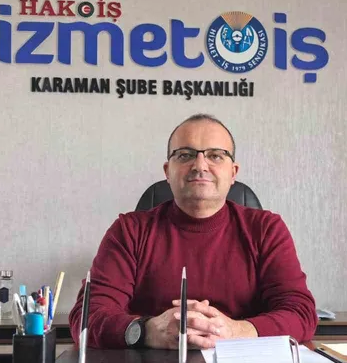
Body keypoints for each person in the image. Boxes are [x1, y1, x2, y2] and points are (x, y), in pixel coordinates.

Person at [69, 114, 317, 349]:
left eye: (215, 155)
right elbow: (86, 317)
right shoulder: (129, 231)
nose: (200, 165)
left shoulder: (266, 229)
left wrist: (235, 331)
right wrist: (149, 331)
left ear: (233, 173)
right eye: (185, 155)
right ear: (167, 171)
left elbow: (301, 313)